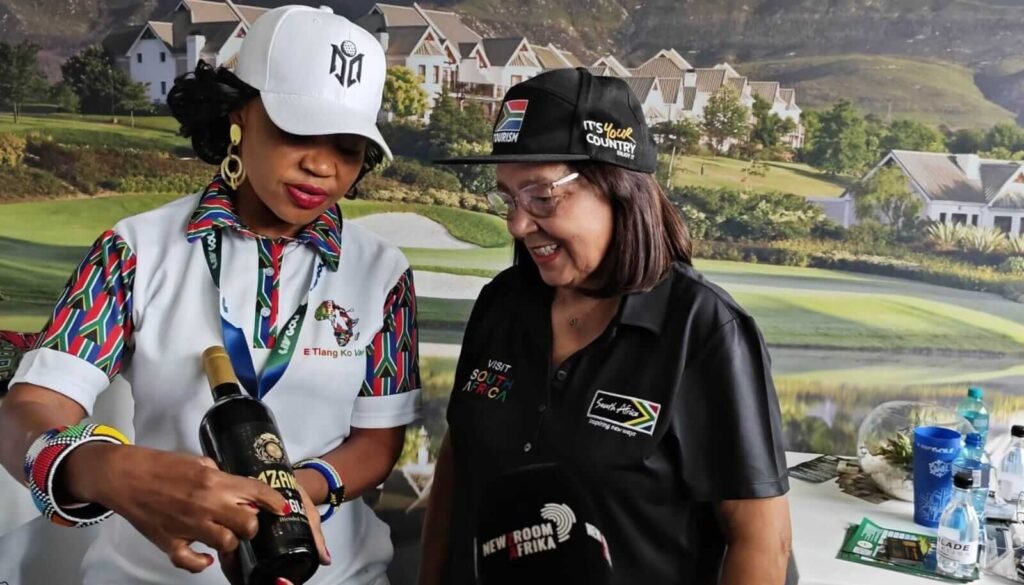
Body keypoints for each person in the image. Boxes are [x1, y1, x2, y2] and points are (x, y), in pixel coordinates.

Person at [0, 6, 420, 585]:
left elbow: (378, 439)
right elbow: (28, 411)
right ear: (237, 115)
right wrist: (111, 470)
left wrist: (294, 492)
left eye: (348, 146)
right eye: (297, 130)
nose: (322, 164)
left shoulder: (384, 271)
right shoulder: (133, 251)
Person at [421, 68, 792, 585]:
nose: (517, 224)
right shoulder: (500, 305)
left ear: (618, 187)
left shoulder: (703, 329)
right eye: (508, 198)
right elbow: (457, 466)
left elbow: (761, 541)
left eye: (542, 197)